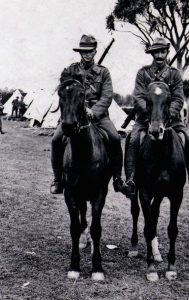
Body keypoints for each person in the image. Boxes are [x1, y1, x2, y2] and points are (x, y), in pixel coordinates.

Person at [124, 37, 189, 199]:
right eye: (156, 52)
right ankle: (130, 181)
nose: (160, 55)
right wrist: (152, 114)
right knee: (133, 139)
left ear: (167, 53)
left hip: (171, 120)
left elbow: (178, 99)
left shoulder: (175, 75)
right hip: (146, 120)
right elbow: (138, 97)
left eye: (163, 51)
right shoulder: (143, 74)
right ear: (152, 54)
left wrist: (166, 115)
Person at [50, 34, 127, 194]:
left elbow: (107, 97)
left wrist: (94, 111)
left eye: (90, 51)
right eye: (83, 51)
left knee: (114, 138)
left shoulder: (103, 73)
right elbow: (63, 91)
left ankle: (117, 178)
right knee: (56, 139)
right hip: (74, 116)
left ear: (95, 52)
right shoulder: (70, 70)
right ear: (80, 52)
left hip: (98, 117)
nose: (86, 54)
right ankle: (58, 179)